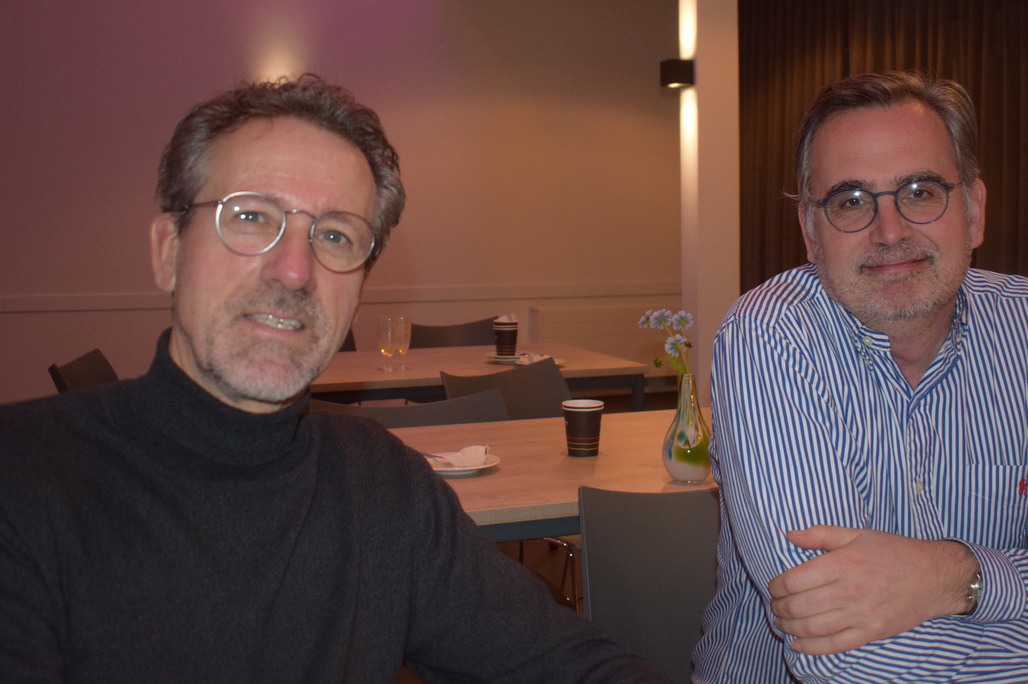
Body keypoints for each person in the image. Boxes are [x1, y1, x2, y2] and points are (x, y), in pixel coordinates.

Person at [0, 75, 665, 683]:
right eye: (252, 217)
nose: (295, 270)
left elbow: (567, 666)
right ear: (168, 252)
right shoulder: (23, 479)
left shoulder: (378, 487)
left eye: (337, 236)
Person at [691, 71, 1028, 683]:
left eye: (921, 191)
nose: (889, 231)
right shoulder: (770, 336)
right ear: (810, 234)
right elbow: (840, 659)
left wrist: (953, 575)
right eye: (851, 202)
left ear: (974, 211)